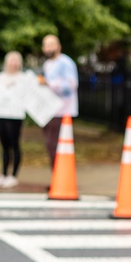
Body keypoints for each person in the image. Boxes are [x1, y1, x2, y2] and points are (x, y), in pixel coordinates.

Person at [0, 51, 35, 188]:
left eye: (16, 60)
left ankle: (13, 175)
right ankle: (3, 174)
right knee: (4, 146)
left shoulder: (24, 79)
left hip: (15, 116)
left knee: (14, 144)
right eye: (11, 60)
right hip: (0, 115)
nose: (13, 63)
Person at [40, 34, 78, 167]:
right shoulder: (47, 64)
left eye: (51, 44)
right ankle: (56, 177)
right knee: (51, 146)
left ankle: (60, 178)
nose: (48, 48)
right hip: (49, 111)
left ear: (58, 46)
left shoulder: (66, 63)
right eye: (45, 45)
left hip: (62, 111)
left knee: (54, 145)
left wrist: (49, 83)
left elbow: (71, 85)